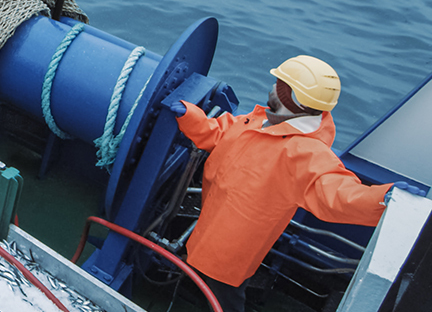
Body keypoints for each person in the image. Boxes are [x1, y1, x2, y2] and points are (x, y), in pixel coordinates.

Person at [163, 55, 425, 312]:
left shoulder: (307, 155)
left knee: (224, 296)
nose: (272, 87)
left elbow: (339, 194)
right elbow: (219, 133)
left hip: (232, 249)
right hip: (211, 219)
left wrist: (382, 198)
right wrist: (190, 116)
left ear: (288, 96)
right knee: (202, 276)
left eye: (279, 84)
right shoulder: (258, 121)